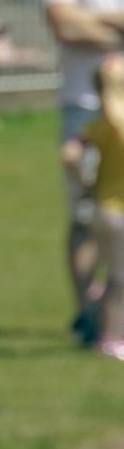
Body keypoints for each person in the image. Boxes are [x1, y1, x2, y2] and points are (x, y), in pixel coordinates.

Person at [42, 0, 124, 344]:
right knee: (85, 213)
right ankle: (86, 311)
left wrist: (91, 18)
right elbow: (64, 26)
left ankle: (114, 309)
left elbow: (78, 21)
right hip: (84, 105)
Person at [61, 55, 124, 361]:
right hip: (119, 214)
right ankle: (111, 338)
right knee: (120, 278)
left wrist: (84, 183)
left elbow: (70, 154)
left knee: (112, 271)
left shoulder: (96, 126)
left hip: (99, 207)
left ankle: (95, 311)